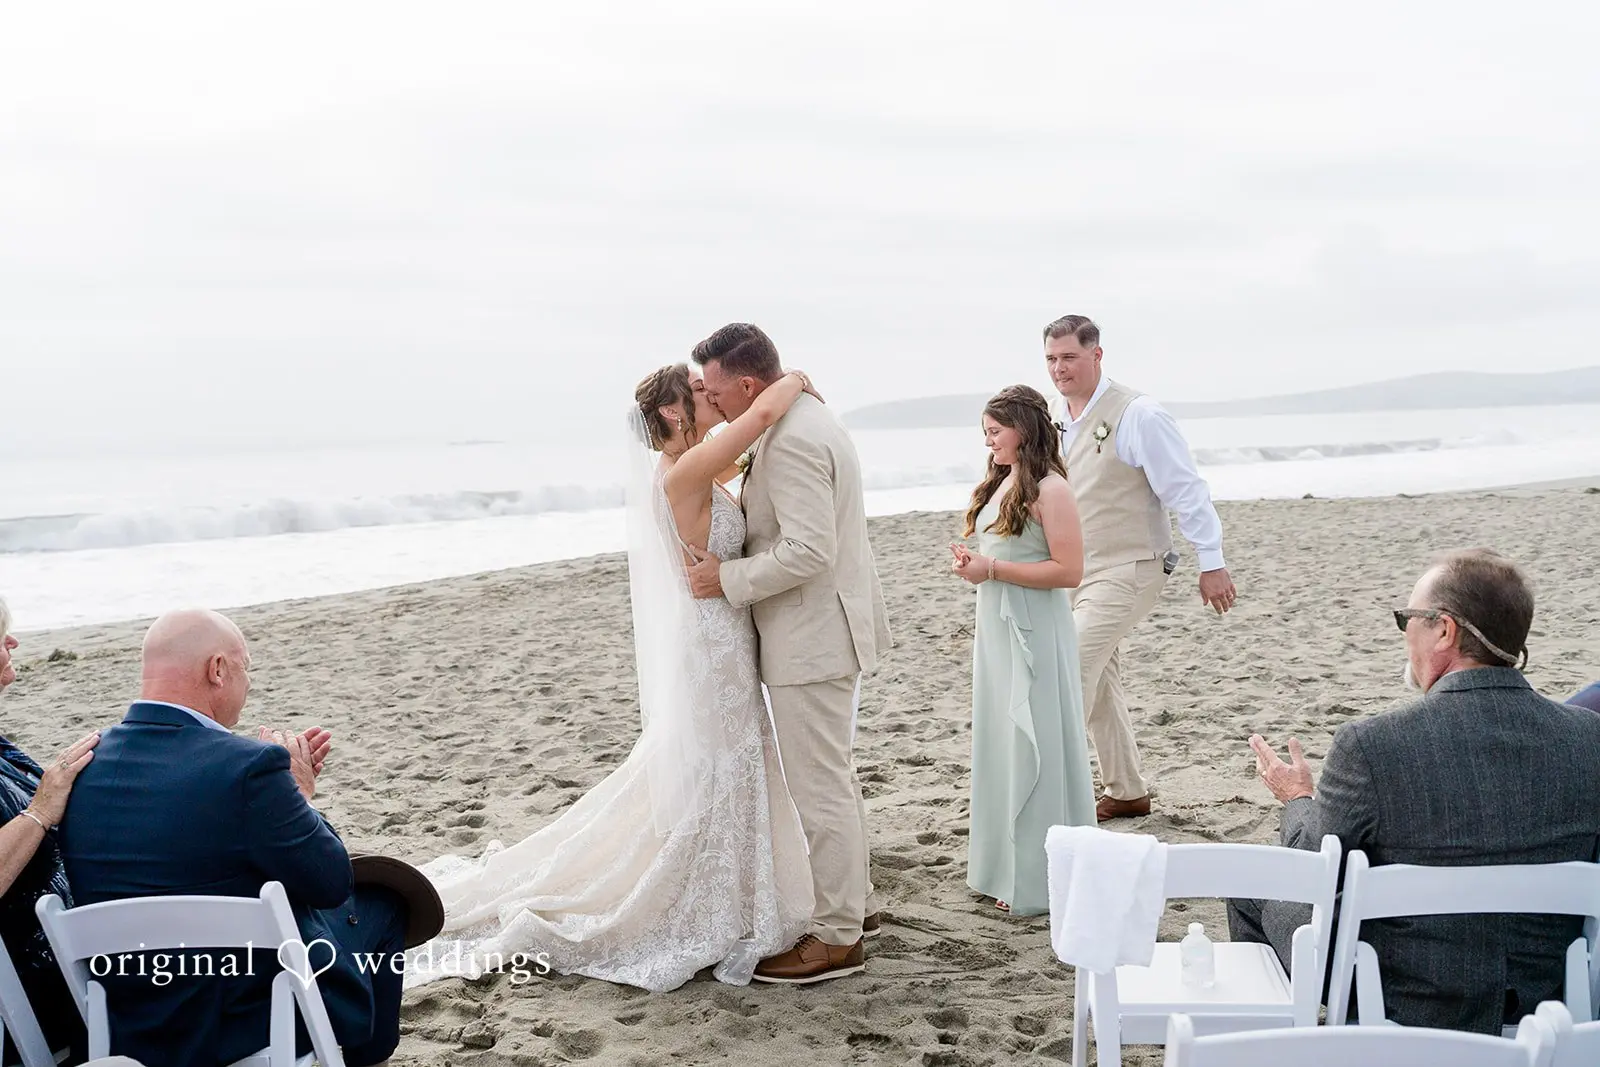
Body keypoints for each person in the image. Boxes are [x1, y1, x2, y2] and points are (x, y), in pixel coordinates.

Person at [410, 361, 815, 992]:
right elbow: (760, 416)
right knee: (721, 761)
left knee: (734, 759)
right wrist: (794, 379)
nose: (709, 394)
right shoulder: (683, 470)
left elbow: (752, 457)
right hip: (712, 645)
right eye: (699, 391)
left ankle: (738, 887)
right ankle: (716, 897)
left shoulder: (698, 465)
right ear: (677, 414)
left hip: (723, 635)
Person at [1235, 550, 1600, 1033]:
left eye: (1407, 619)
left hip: (1404, 999)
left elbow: (1315, 873)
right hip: (1546, 998)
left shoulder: (1372, 745)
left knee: (1253, 889)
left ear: (1444, 630)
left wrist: (1298, 798)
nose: (1404, 632)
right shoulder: (1588, 738)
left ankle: (1280, 1042)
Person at [58, 609, 418, 1067]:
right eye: (247, 668)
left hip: (126, 1020)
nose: (247, 685)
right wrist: (301, 795)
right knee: (386, 906)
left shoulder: (79, 766)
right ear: (218, 670)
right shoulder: (251, 767)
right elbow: (330, 882)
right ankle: (367, 1058)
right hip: (240, 1022)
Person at [686, 323, 893, 984]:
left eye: (716, 393)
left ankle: (835, 938)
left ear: (747, 384)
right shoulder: (797, 416)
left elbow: (809, 549)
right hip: (822, 629)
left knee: (819, 786)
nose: (714, 406)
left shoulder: (797, 436)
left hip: (812, 637)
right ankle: (851, 908)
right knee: (832, 777)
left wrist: (728, 579)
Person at [1043, 314, 1236, 822]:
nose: (1059, 368)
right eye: (1051, 359)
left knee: (1071, 665)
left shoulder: (1139, 415)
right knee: (1099, 676)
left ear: (1096, 355)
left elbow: (1186, 490)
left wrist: (1210, 562)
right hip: (1074, 571)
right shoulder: (1052, 417)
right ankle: (1127, 789)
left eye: (1069, 357)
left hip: (1131, 567)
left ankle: (1051, 799)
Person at [948, 386, 1096, 916]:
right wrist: (976, 565)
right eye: (985, 434)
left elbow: (1069, 571)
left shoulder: (1052, 488)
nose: (989, 444)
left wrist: (992, 570)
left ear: (1023, 430)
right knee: (1002, 743)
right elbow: (1002, 553)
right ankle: (1000, 867)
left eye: (995, 432)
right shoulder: (1003, 481)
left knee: (1035, 743)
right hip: (997, 625)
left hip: (1036, 629)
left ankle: (1036, 879)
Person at [0, 596, 95, 1066]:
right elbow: (42, 810)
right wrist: (39, 811)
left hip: (75, 952)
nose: (12, 641)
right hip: (37, 987)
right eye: (0, 635)